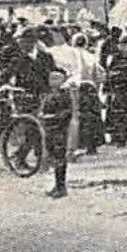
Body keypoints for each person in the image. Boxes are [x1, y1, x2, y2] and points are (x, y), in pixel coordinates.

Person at [39, 67, 74, 199]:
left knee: (59, 158)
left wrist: (53, 117)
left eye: (57, 78)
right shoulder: (48, 95)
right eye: (51, 79)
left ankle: (61, 186)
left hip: (59, 129)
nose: (53, 81)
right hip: (49, 129)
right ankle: (57, 185)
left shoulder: (65, 95)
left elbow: (67, 112)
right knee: (53, 157)